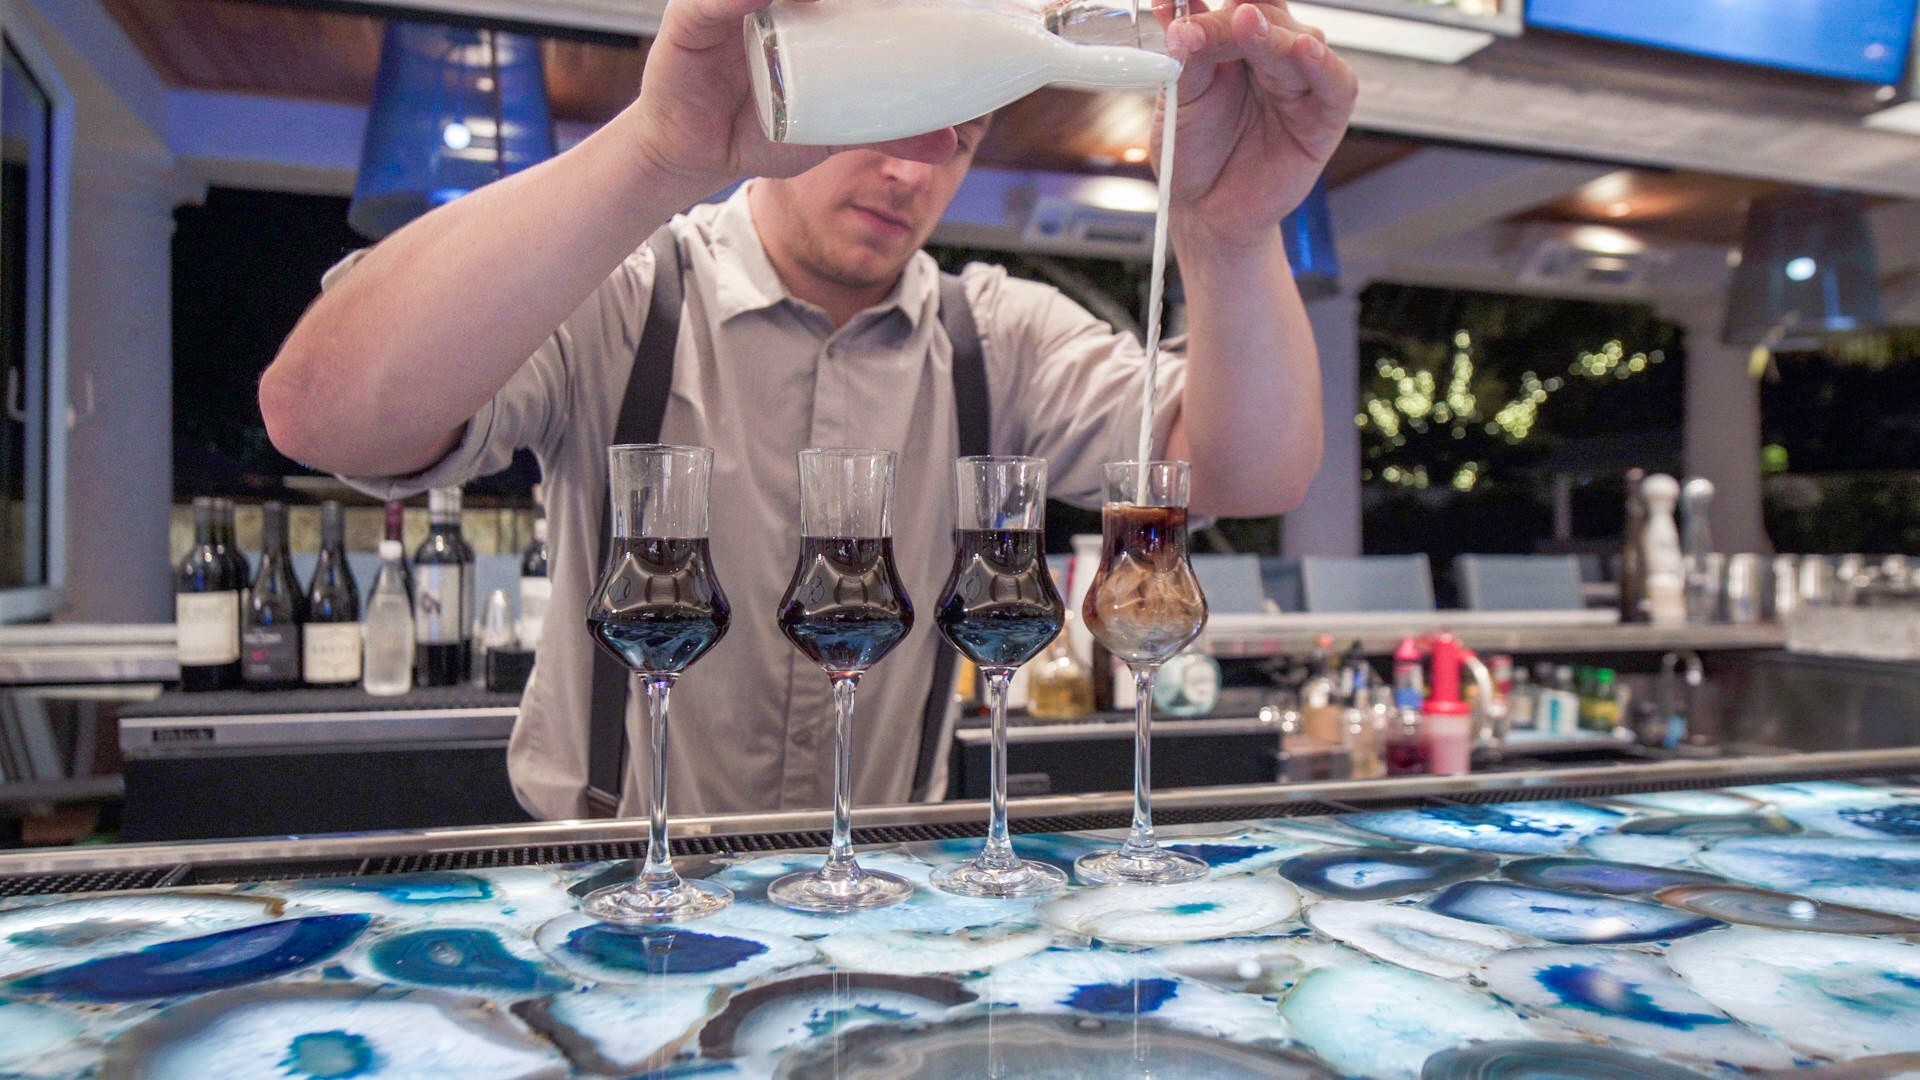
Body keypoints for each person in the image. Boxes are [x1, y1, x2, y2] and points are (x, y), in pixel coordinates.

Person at [260, 0, 1359, 820]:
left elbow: (1246, 471)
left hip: (882, 890)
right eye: (890, 113)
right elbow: (322, 415)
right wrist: (658, 150)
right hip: (614, 882)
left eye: (960, 133)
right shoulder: (629, 295)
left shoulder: (997, 336)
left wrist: (1230, 236)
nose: (913, 169)